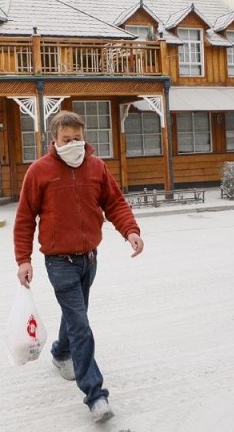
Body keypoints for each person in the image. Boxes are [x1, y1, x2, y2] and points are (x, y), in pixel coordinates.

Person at [13, 110, 144, 424]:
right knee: (81, 325)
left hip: (89, 258)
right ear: (54, 141)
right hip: (59, 262)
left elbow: (114, 202)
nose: (73, 144)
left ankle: (60, 353)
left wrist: (131, 231)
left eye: (77, 138)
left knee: (76, 315)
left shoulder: (96, 167)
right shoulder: (39, 171)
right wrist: (24, 260)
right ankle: (95, 395)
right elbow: (24, 219)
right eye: (66, 139)